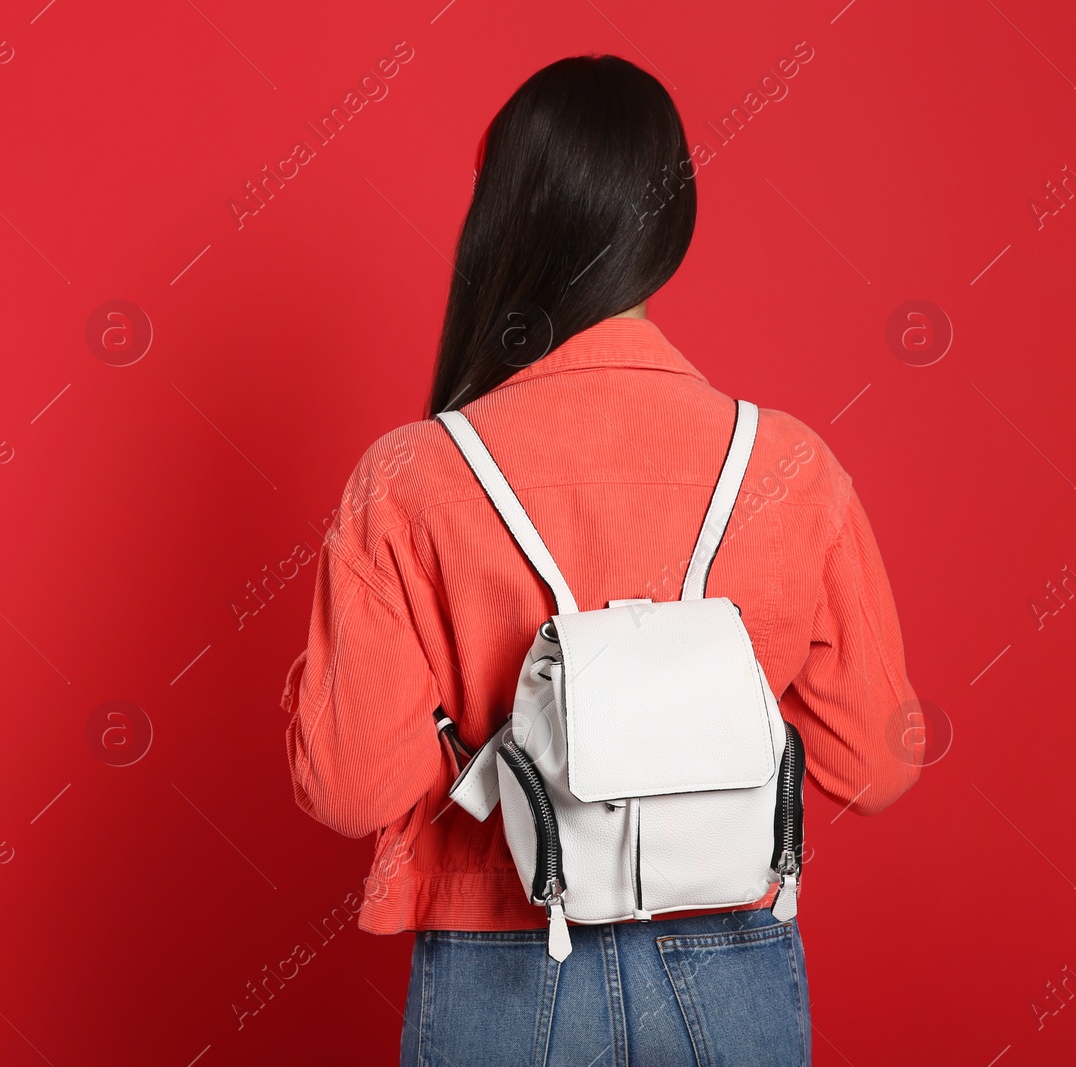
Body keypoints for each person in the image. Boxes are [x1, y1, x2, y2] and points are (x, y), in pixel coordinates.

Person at [280, 54, 922, 1065]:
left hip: (503, 962)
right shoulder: (791, 466)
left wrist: (484, 718)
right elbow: (875, 763)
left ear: (506, 218)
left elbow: (349, 783)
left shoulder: (410, 476)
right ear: (670, 227)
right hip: (730, 961)